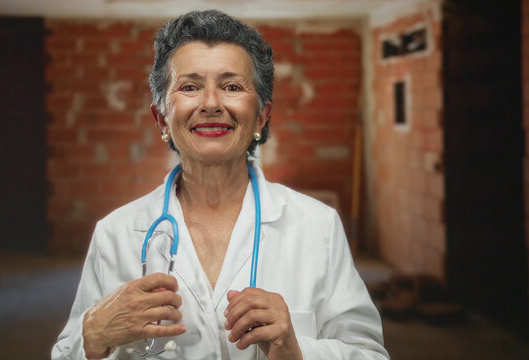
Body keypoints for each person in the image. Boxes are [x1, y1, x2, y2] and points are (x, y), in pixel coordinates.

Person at [52, 9, 389, 360]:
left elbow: (370, 354)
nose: (211, 103)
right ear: (162, 118)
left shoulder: (318, 227)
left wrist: (297, 351)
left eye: (231, 86)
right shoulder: (116, 234)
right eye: (189, 87)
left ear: (261, 115)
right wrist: (92, 336)